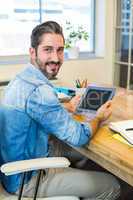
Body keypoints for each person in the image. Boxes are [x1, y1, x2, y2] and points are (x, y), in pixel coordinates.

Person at [0, 21, 120, 199]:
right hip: (27, 178)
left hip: (21, 160)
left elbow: (34, 110)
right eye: (48, 49)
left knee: (82, 155)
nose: (56, 58)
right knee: (112, 185)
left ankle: (78, 180)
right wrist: (98, 117)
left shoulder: (21, 79)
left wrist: (68, 106)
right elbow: (78, 137)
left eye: (60, 50)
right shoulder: (40, 91)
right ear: (32, 52)